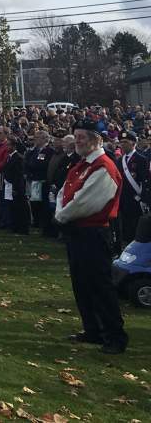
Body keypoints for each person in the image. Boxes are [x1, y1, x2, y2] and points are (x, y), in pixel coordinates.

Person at [54, 117, 128, 354]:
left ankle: (114, 335)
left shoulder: (103, 166)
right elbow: (64, 192)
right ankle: (93, 329)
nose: (77, 141)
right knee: (82, 284)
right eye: (76, 136)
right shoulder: (81, 164)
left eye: (82, 137)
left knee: (100, 286)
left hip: (93, 232)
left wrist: (62, 216)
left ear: (96, 140)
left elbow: (87, 202)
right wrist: (61, 213)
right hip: (77, 232)